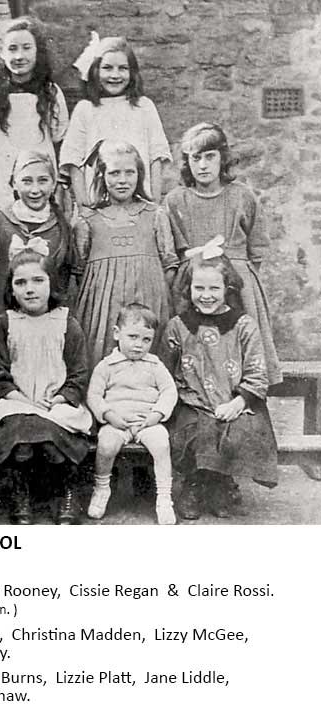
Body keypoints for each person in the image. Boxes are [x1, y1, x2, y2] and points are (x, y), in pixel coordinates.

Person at [160, 247, 277, 520]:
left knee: (238, 431)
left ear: (228, 288)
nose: (206, 295)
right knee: (194, 432)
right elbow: (164, 371)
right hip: (192, 402)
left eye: (214, 288)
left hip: (235, 401)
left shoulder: (244, 325)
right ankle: (195, 485)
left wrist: (238, 402)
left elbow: (257, 372)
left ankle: (221, 485)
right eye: (199, 288)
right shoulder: (178, 326)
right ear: (188, 289)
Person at [164, 122, 281, 384]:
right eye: (196, 158)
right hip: (193, 285)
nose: (203, 165)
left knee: (241, 345)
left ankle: (247, 398)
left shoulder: (243, 196)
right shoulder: (175, 200)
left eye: (210, 157)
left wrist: (241, 281)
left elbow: (257, 250)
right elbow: (173, 252)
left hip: (237, 285)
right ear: (187, 162)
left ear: (222, 158)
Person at [0, 245, 92, 525]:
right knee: (21, 439)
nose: (29, 289)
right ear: (10, 288)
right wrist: (17, 396)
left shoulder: (66, 322)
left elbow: (79, 371)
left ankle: (65, 491)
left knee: (54, 439)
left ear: (52, 283)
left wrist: (61, 397)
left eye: (38, 281)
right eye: (20, 283)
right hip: (16, 400)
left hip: (55, 402)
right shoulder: (3, 323)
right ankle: (21, 494)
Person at [74, 141, 177, 366]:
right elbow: (79, 271)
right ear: (101, 176)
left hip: (149, 298)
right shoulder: (87, 221)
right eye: (114, 173)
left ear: (139, 175)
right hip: (102, 307)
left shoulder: (156, 214)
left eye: (129, 172)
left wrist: (157, 296)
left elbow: (170, 264)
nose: (122, 180)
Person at [86, 303, 178, 524]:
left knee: (161, 444)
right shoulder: (106, 366)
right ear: (117, 334)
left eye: (146, 340)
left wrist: (156, 415)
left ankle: (164, 497)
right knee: (106, 445)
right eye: (133, 337)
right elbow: (94, 395)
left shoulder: (155, 365)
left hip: (147, 422)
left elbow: (169, 391)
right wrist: (108, 415)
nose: (139, 345)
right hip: (117, 423)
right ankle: (102, 488)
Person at [60, 36, 171, 207]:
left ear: (132, 72)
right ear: (96, 71)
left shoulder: (144, 107)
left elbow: (157, 156)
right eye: (107, 68)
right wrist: (84, 206)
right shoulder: (85, 109)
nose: (115, 75)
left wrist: (154, 202)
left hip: (140, 203)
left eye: (123, 68)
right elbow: (74, 160)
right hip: (98, 205)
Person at [0, 16, 69, 213]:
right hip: (2, 176)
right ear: (0, 53)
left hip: (40, 177)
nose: (19, 56)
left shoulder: (51, 92)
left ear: (38, 51)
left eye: (26, 47)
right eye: (12, 49)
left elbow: (59, 137)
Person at [0, 151, 75, 312]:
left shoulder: (61, 226)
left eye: (43, 181)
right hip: (4, 312)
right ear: (14, 183)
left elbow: (64, 278)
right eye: (27, 181)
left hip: (46, 314)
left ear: (53, 183)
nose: (35, 190)